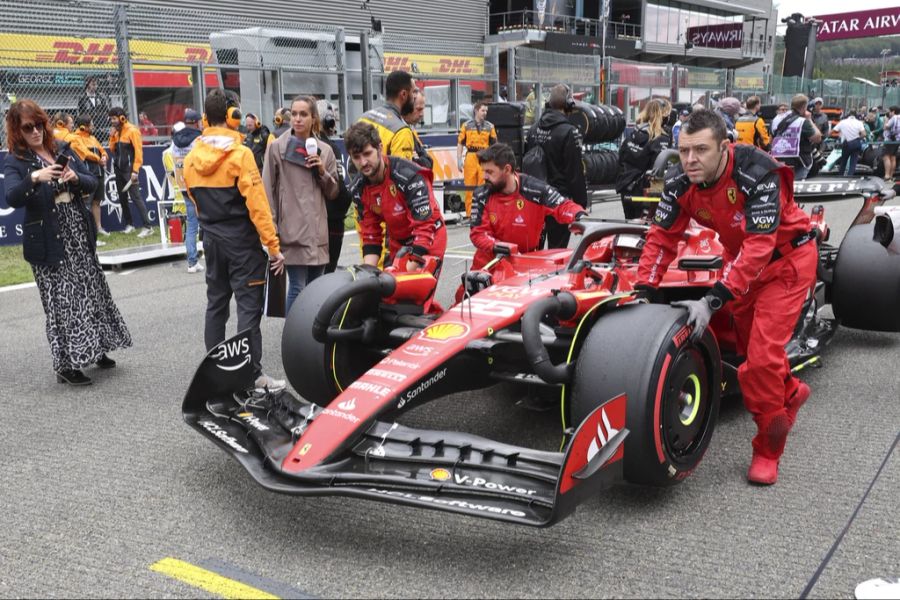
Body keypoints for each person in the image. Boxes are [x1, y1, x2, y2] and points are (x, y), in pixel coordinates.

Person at [636, 109, 817, 485]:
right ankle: (790, 391)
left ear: (724, 146)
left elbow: (760, 247)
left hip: (786, 262)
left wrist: (711, 300)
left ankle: (768, 448)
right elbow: (661, 239)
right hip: (744, 267)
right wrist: (644, 293)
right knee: (756, 355)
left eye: (700, 150)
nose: (690, 160)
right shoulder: (679, 182)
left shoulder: (757, 172)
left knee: (761, 362)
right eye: (684, 150)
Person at [4, 99, 131, 385]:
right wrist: (35, 177)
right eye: (28, 127)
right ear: (17, 130)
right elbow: (11, 196)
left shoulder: (60, 148)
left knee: (91, 288)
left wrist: (74, 178)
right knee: (62, 300)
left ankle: (95, 347)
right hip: (49, 237)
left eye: (39, 124)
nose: (36, 131)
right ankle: (65, 365)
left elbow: (92, 183)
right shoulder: (16, 160)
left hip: (77, 229)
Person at [182, 88, 286, 392]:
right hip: (242, 244)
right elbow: (258, 205)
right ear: (233, 117)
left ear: (204, 118)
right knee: (248, 309)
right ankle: (252, 376)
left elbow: (191, 196)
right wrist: (274, 247)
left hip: (211, 241)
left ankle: (214, 374)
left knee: (216, 304)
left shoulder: (190, 157)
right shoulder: (241, 155)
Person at [463, 143, 586, 299]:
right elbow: (478, 234)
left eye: (489, 172)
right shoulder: (482, 194)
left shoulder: (535, 190)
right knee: (463, 306)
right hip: (488, 264)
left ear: (507, 169)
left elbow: (563, 206)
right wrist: (501, 247)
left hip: (524, 265)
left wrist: (581, 217)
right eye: (484, 171)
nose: (484, 177)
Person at [263, 95, 340, 313]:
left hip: (318, 232)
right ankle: (293, 336)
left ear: (313, 118)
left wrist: (322, 172)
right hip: (292, 232)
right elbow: (267, 190)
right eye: (294, 114)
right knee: (297, 287)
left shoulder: (325, 151)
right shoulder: (277, 147)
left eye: (303, 114)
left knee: (316, 289)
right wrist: (272, 230)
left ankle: (310, 338)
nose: (297, 119)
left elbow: (334, 192)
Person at [344, 121, 446, 274]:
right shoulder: (359, 188)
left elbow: (424, 229)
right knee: (387, 292)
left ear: (380, 148)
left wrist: (405, 274)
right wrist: (367, 276)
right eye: (356, 157)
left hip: (429, 237)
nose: (363, 162)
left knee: (413, 292)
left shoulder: (409, 176)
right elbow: (371, 235)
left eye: (367, 154)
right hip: (399, 242)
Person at [525, 84, 587, 249]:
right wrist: (580, 205)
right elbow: (575, 173)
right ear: (568, 105)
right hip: (558, 201)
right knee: (557, 253)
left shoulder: (532, 129)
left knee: (532, 251)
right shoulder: (569, 132)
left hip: (534, 200)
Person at [616, 98, 672, 220]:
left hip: (626, 187)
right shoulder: (660, 138)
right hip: (645, 193)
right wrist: (658, 201)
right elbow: (658, 172)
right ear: (663, 116)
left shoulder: (633, 133)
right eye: (668, 113)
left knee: (629, 227)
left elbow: (620, 159)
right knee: (645, 231)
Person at [317, 104, 354, 274]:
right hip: (330, 219)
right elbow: (338, 188)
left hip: (308, 222)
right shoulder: (329, 148)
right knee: (325, 274)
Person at [108, 106, 154, 236]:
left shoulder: (133, 131)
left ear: (122, 118)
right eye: (111, 119)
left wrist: (135, 171)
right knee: (122, 198)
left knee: (136, 197)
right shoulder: (116, 132)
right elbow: (112, 150)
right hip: (118, 169)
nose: (112, 121)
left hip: (129, 170)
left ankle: (148, 226)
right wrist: (112, 137)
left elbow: (139, 152)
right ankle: (129, 224)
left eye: (114, 118)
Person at [168, 108, 204, 272]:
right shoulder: (199, 139)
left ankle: (192, 262)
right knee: (208, 222)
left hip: (183, 185)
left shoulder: (175, 140)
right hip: (199, 185)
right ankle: (211, 258)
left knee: (191, 224)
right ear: (197, 122)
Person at [357, 70, 417, 161]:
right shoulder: (402, 131)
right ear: (404, 94)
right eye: (413, 92)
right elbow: (402, 173)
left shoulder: (364, 117)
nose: (414, 97)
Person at [68, 114, 109, 243]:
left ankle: (98, 228)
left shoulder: (93, 138)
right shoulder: (75, 138)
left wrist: (104, 156)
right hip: (86, 176)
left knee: (97, 201)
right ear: (83, 126)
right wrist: (99, 159)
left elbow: (103, 150)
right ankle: (88, 231)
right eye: (91, 124)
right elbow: (85, 153)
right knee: (87, 204)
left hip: (99, 173)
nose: (93, 126)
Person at [457, 101, 497, 219]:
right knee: (469, 187)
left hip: (484, 158)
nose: (485, 113)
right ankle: (470, 215)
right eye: (483, 110)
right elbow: (460, 143)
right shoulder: (466, 125)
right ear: (476, 110)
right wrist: (459, 159)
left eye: (486, 111)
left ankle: (481, 213)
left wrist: (493, 162)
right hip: (470, 157)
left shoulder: (490, 127)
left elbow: (495, 146)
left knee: (483, 187)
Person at [770, 94, 822, 180]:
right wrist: (809, 119)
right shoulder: (802, 121)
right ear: (804, 107)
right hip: (799, 162)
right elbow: (817, 138)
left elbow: (771, 139)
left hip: (778, 160)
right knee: (795, 186)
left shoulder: (776, 119)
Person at [403, 89, 433, 170]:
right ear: (407, 107)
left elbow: (428, 161)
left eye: (423, 109)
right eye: (419, 109)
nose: (422, 114)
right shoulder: (401, 132)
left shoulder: (410, 130)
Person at [832, 110, 867, 177]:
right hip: (856, 142)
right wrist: (858, 137)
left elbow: (833, 131)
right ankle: (850, 176)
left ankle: (840, 176)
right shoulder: (859, 122)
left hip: (847, 143)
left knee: (844, 160)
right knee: (853, 162)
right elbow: (864, 134)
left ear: (848, 114)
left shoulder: (843, 122)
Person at [77, 76, 110, 143]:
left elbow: (106, 110)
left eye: (96, 84)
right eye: (93, 84)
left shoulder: (101, 97)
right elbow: (80, 114)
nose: (95, 86)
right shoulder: (82, 98)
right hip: (89, 128)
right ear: (87, 85)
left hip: (101, 128)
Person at [882, 105, 900, 183]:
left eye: (889, 111)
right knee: (893, 158)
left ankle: (887, 176)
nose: (888, 113)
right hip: (897, 140)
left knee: (886, 157)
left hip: (890, 140)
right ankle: (891, 176)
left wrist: (886, 120)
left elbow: (886, 127)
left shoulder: (894, 118)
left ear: (893, 112)